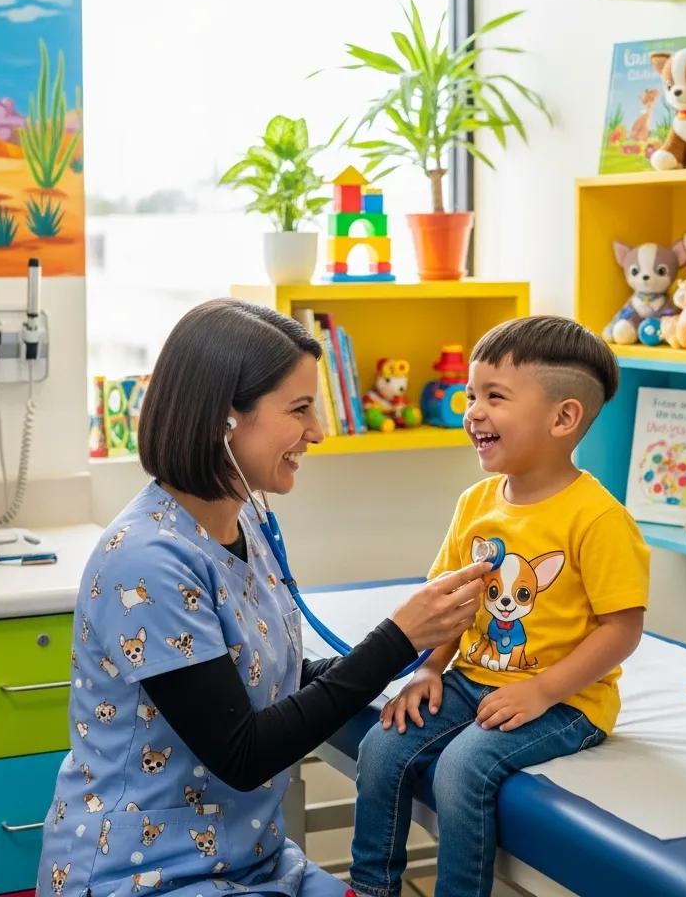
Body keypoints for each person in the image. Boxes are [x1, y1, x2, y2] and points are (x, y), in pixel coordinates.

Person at [36, 298, 489, 897]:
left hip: (254, 861)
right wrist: (396, 639)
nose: (318, 431)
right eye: (300, 409)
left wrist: (421, 663)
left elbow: (273, 676)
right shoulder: (148, 560)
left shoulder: (244, 518)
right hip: (144, 874)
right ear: (225, 418)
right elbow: (243, 750)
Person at [349, 315, 651, 897]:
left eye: (495, 397)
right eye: (471, 395)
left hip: (567, 701)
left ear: (564, 418)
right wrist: (430, 668)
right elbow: (451, 604)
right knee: (383, 746)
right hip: (469, 679)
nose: (474, 412)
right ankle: (369, 889)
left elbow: (622, 629)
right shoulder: (477, 502)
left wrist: (541, 691)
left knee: (464, 768)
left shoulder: (599, 518)